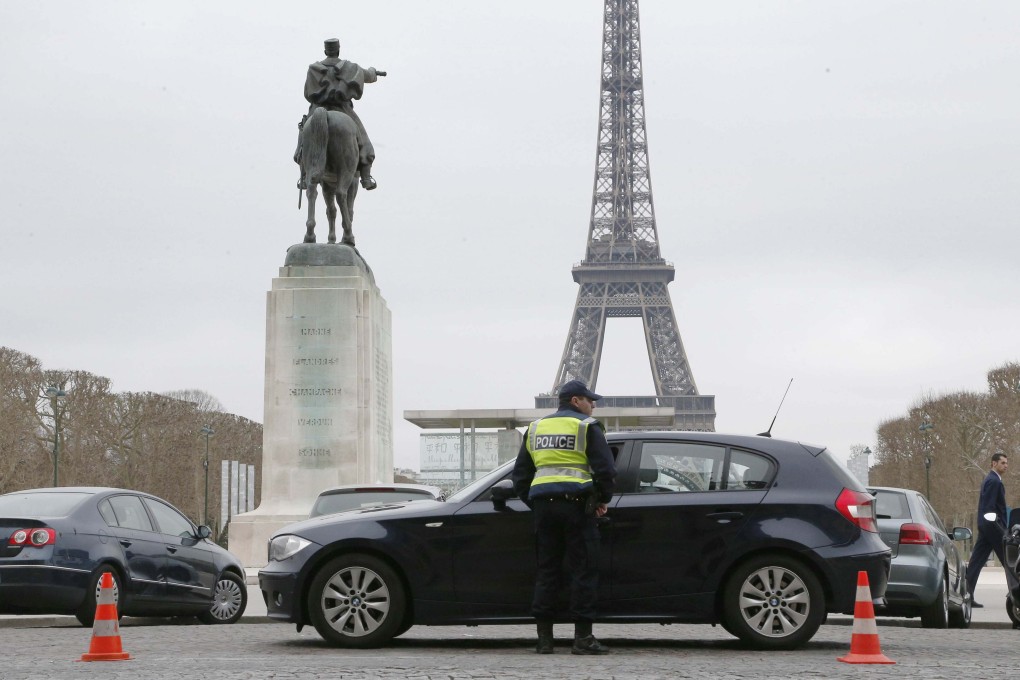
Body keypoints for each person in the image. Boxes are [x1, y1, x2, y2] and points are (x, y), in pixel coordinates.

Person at [512, 379, 617, 655]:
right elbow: (606, 470)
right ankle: (582, 638)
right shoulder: (586, 426)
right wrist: (601, 499)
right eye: (589, 400)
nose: (593, 405)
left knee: (547, 571)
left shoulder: (535, 428)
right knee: (583, 571)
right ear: (575, 401)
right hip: (577, 508)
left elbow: (520, 476)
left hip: (544, 510)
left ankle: (544, 640)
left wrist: (536, 504)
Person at [296, 38, 384, 190]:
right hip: (342, 109)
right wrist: (373, 71)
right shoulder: (351, 68)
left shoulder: (313, 69)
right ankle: (366, 177)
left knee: (303, 139)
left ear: (325, 51)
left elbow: (307, 93)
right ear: (338, 50)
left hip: (316, 109)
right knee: (365, 143)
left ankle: (304, 175)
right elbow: (369, 76)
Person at [965, 452, 1009, 607]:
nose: (1006, 466)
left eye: (1006, 463)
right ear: (994, 463)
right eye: (1002, 463)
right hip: (993, 528)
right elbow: (990, 508)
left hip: (987, 527)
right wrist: (1000, 529)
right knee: (1010, 562)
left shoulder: (990, 479)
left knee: (976, 563)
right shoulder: (994, 481)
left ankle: (967, 596)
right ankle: (1016, 595)